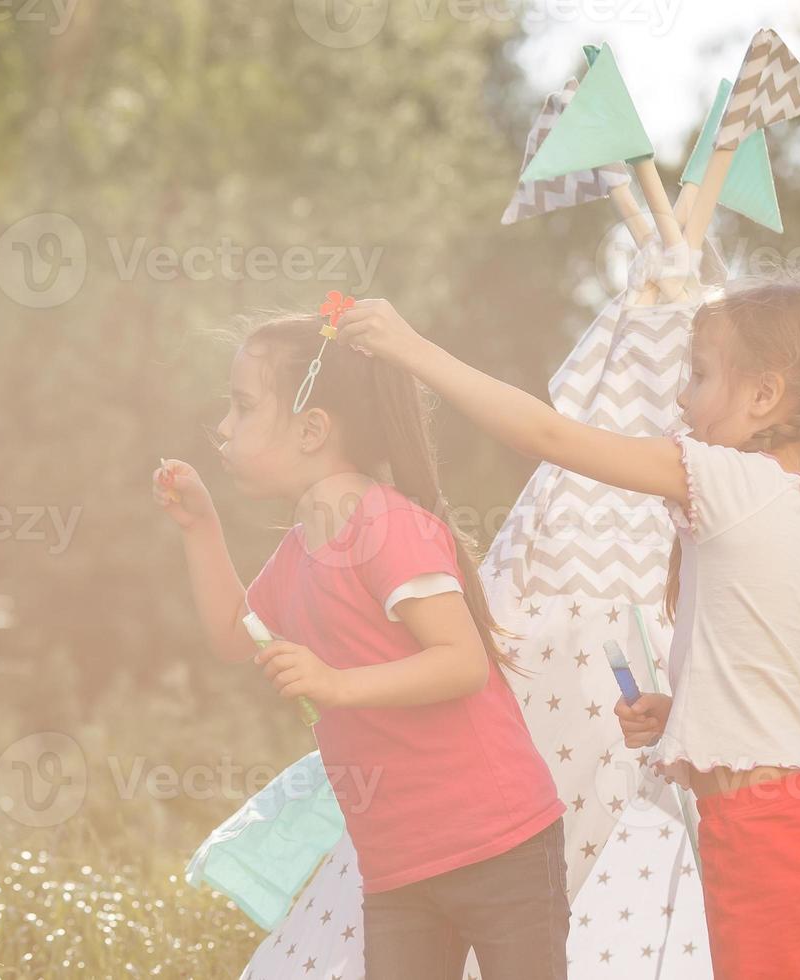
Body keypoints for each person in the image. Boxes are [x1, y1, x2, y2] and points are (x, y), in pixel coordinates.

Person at [336, 278, 800, 979]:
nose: (682, 397)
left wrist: (411, 350)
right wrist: (687, 714)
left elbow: (547, 434)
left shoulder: (727, 480)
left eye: (699, 374)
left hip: (761, 832)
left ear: (763, 396)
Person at [152, 312, 569, 979]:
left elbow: (460, 662)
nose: (222, 428)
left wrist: (338, 684)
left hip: (498, 841)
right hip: (399, 863)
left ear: (313, 428)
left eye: (242, 406)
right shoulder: (299, 550)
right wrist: (200, 528)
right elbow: (235, 633)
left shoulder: (383, 525)